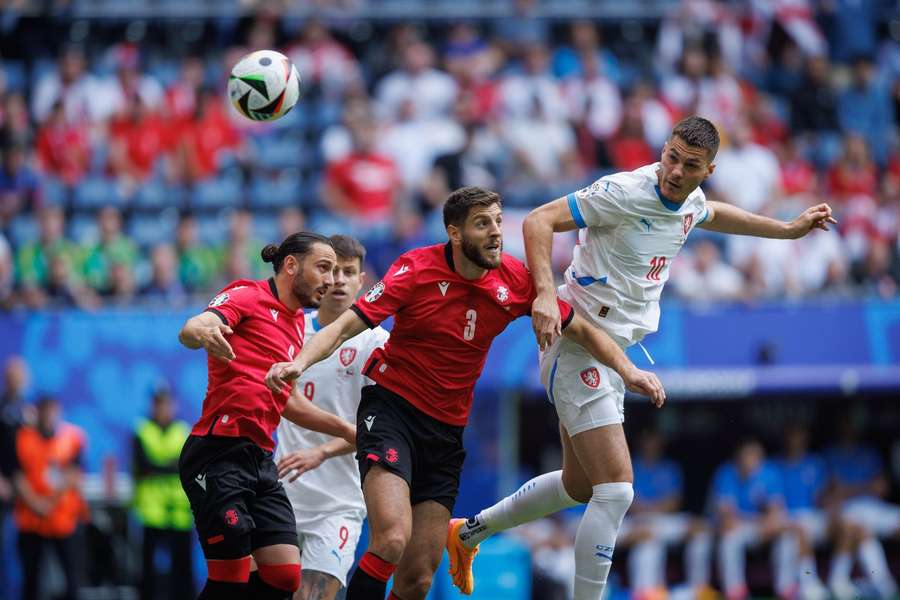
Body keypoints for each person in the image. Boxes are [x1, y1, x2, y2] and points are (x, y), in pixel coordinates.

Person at [449, 116, 837, 600]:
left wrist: (788, 229)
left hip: (613, 350)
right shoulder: (624, 191)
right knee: (618, 490)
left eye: (689, 164)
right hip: (577, 343)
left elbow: (712, 213)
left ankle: (467, 532)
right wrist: (545, 295)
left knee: (579, 487)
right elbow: (538, 220)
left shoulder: (690, 200)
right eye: (671, 156)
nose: (674, 170)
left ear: (708, 169)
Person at [265, 186, 665, 600]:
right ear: (455, 234)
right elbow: (344, 326)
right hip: (391, 412)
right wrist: (299, 362)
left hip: (445, 432)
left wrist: (628, 369)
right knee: (391, 538)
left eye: (497, 220)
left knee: (418, 576)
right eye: (482, 223)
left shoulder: (513, 280)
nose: (495, 232)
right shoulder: (415, 269)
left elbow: (581, 328)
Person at [176, 232, 357, 600]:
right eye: (324, 268)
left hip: (259, 459)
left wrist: (347, 430)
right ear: (291, 265)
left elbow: (285, 401)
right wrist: (204, 332)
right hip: (216, 451)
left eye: (337, 271)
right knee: (231, 575)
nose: (331, 280)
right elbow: (192, 328)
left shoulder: (296, 325)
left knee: (284, 574)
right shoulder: (248, 294)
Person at [273, 235, 389, 600]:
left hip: (338, 502)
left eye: (349, 272)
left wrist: (321, 452)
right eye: (332, 270)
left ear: (362, 281)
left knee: (313, 595)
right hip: (281, 491)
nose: (338, 280)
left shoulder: (376, 343)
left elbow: (379, 430)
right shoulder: (292, 329)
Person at [711, 439, 825, 600]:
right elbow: (728, 517)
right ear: (738, 458)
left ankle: (785, 588)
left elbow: (775, 510)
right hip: (739, 528)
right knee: (729, 538)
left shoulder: (769, 474)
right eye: (746, 456)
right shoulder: (726, 473)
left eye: (755, 457)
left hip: (760, 527)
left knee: (787, 537)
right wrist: (760, 522)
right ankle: (735, 591)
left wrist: (769, 524)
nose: (750, 461)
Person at [617, 429, 713, 600]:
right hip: (636, 521)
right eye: (648, 441)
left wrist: (653, 508)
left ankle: (698, 589)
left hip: (663, 520)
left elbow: (675, 501)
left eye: (655, 441)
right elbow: (626, 500)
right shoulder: (629, 465)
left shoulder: (670, 467)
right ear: (641, 443)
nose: (651, 446)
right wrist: (647, 510)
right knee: (647, 542)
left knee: (700, 531)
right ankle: (645, 593)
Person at [14, 395, 87, 600]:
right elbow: (17, 474)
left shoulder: (72, 438)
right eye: (44, 411)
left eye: (53, 410)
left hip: (63, 519)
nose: (49, 416)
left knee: (71, 579)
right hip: (31, 519)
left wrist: (50, 502)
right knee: (31, 581)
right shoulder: (22, 438)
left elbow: (74, 473)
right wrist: (37, 503)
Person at [825, 418, 899, 599]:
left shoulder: (869, 451)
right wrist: (866, 486)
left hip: (875, 506)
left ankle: (880, 584)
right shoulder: (831, 453)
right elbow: (835, 491)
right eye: (845, 425)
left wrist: (851, 488)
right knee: (859, 530)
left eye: (852, 425)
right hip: (849, 508)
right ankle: (872, 582)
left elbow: (882, 488)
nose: (849, 429)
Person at [132, 386, 194, 600]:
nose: (163, 408)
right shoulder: (141, 430)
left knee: (183, 570)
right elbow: (142, 467)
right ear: (152, 405)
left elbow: (188, 466)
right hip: (152, 511)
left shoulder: (183, 430)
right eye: (158, 403)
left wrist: (158, 465)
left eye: (166, 403)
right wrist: (171, 465)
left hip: (179, 510)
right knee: (148, 569)